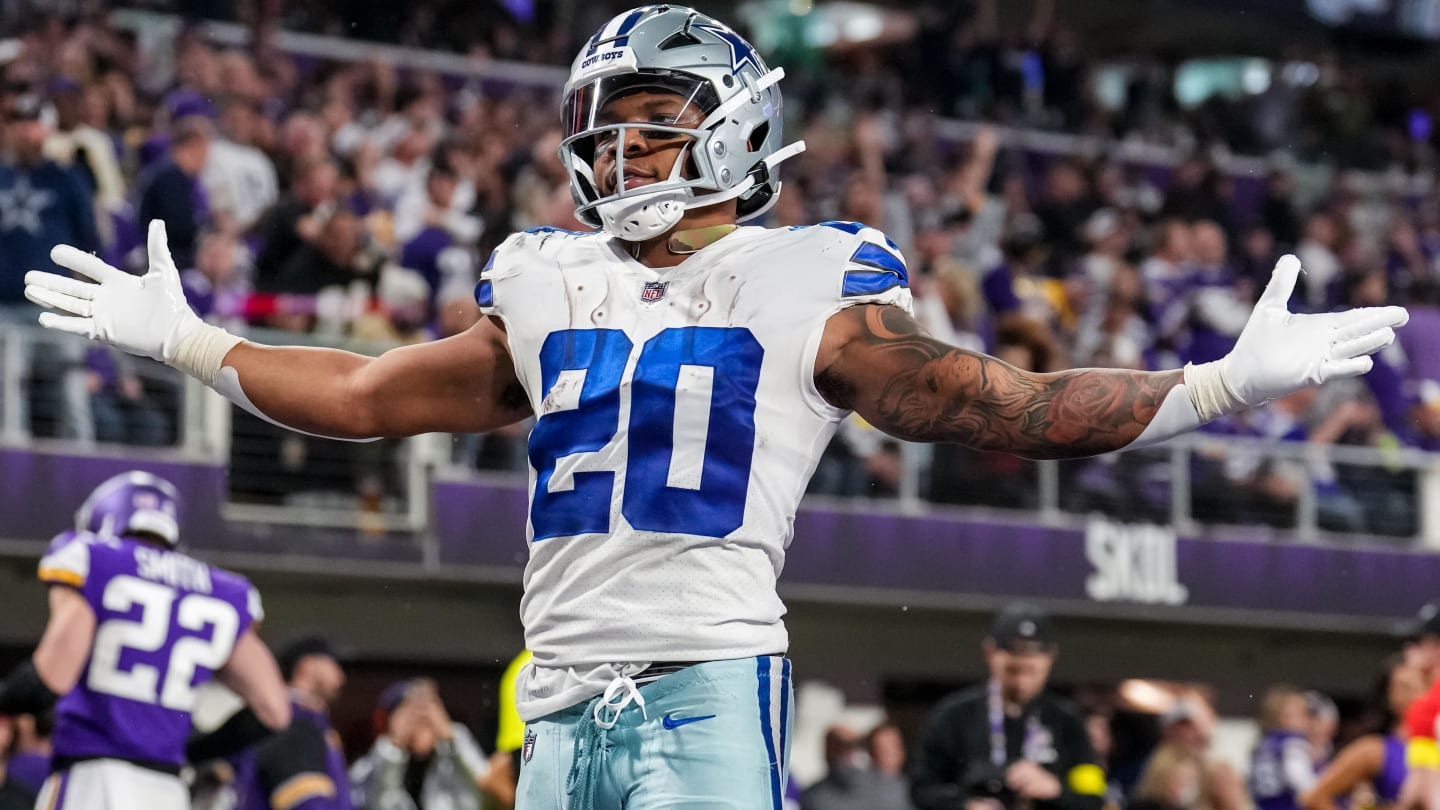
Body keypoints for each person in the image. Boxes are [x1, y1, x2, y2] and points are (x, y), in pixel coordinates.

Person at [24, 6, 1407, 808]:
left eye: (657, 120)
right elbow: (374, 392)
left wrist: (1215, 386)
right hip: (556, 691)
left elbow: (997, 402)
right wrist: (195, 343)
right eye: (610, 123)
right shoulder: (548, 274)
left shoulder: (811, 274)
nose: (623, 148)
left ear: (733, 126)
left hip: (707, 681)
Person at [0, 470, 291, 810]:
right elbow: (274, 711)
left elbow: (53, 675)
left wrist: (6, 699)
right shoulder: (225, 591)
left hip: (92, 778)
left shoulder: (93, 557)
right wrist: (191, 750)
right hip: (167, 790)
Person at [910, 603, 1106, 810]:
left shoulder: (1067, 722)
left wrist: (1055, 789)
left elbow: (1093, 797)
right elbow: (921, 789)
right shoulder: (955, 716)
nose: (1021, 682)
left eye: (1031, 671)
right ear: (990, 653)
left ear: (1050, 658)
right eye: (1012, 670)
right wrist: (965, 805)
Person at [221, 635, 353, 810]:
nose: (341, 676)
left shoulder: (309, 719)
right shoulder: (290, 719)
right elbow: (306, 801)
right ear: (308, 666)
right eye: (332, 664)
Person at [1299, 655, 1425, 810]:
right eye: (1405, 687)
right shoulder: (1376, 749)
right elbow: (1314, 797)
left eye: (1423, 684)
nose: (1416, 693)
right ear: (1390, 694)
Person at [349, 678, 489, 810]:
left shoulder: (454, 748)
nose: (421, 717)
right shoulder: (377, 758)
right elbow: (378, 803)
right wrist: (395, 748)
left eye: (428, 711)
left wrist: (450, 739)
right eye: (409, 712)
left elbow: (483, 789)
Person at [1249, 684, 1316, 810]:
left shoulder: (1261, 745)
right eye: (1302, 713)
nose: (1307, 720)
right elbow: (1300, 780)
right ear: (1284, 717)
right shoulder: (1293, 742)